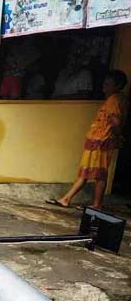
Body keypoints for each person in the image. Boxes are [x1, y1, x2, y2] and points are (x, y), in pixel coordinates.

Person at [50, 70, 128, 210]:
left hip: (102, 141)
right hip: (97, 141)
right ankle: (66, 199)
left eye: (108, 84)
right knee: (86, 171)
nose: (104, 87)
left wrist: (116, 136)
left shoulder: (115, 100)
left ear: (118, 86)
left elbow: (116, 122)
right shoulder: (114, 99)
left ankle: (97, 204)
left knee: (99, 174)